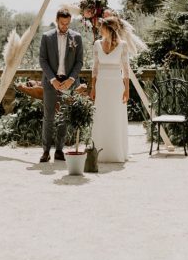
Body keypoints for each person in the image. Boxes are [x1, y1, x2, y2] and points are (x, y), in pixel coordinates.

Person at [38, 9, 84, 163]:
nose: (65, 26)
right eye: (62, 23)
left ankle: (59, 150)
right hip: (51, 82)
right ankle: (45, 151)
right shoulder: (46, 36)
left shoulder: (77, 37)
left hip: (68, 82)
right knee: (48, 117)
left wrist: (71, 79)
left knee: (64, 117)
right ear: (57, 20)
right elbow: (43, 60)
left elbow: (79, 61)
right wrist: (52, 79)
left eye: (67, 23)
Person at [90, 17, 130, 163]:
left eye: (102, 27)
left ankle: (116, 152)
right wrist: (93, 88)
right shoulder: (97, 44)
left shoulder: (123, 45)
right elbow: (94, 69)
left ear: (109, 29)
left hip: (116, 86)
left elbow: (126, 70)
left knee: (115, 116)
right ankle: (99, 151)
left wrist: (127, 90)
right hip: (101, 85)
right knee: (101, 116)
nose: (100, 29)